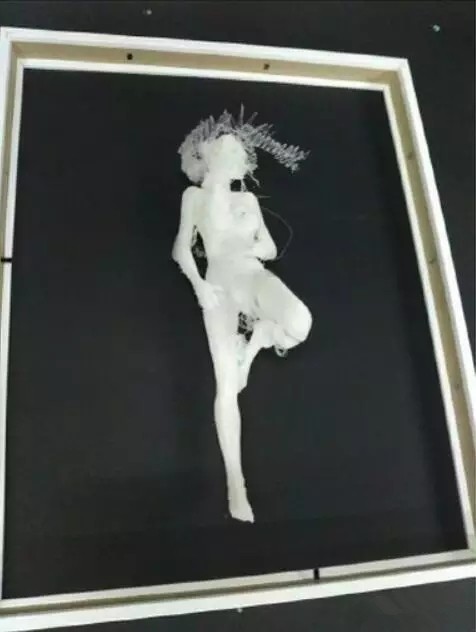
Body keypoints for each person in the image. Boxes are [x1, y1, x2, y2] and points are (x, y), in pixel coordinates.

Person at [173, 110, 312, 522]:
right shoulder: (194, 197)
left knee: (300, 323)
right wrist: (199, 286)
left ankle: (252, 347)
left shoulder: (248, 201)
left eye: (238, 153)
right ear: (209, 155)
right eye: (227, 150)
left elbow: (269, 247)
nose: (234, 157)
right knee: (226, 387)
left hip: (251, 275)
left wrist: (249, 246)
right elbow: (182, 248)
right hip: (219, 286)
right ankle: (236, 484)